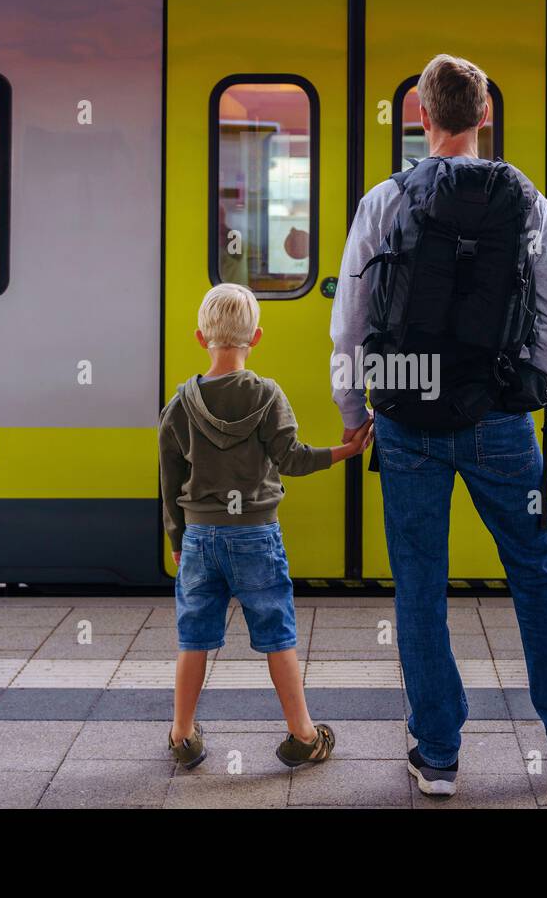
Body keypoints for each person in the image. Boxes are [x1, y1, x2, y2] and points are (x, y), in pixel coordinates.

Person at [330, 54, 547, 797]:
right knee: (537, 571)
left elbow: (349, 329)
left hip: (408, 418)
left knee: (420, 582)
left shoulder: (384, 201)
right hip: (501, 420)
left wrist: (358, 416)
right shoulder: (526, 202)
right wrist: (516, 379)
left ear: (420, 115)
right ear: (485, 115)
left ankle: (440, 755)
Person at [160, 283, 373, 769]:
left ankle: (182, 735)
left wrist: (178, 540)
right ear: (256, 337)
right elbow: (292, 460)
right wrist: (344, 451)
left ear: (200, 337)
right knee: (277, 633)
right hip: (255, 533)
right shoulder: (267, 395)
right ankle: (302, 735)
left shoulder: (179, 406)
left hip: (200, 536)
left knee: (193, 636)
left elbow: (170, 483)